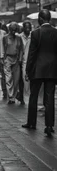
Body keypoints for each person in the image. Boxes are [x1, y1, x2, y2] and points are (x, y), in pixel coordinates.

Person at [22, 9, 57, 137]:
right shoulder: (56, 32)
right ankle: (49, 125)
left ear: (41, 19)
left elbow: (32, 54)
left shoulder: (36, 33)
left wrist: (27, 71)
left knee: (33, 96)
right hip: (52, 70)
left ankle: (31, 122)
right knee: (49, 98)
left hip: (38, 69)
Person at [2, 22, 23, 104]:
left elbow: (21, 49)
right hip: (8, 59)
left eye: (15, 30)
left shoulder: (18, 38)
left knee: (16, 79)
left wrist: (20, 59)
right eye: (12, 30)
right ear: (9, 30)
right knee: (8, 78)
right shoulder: (5, 38)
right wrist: (3, 59)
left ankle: (13, 97)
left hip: (16, 59)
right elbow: (3, 48)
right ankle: (10, 96)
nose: (14, 31)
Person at [17, 21, 32, 105]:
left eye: (29, 27)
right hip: (21, 60)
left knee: (28, 80)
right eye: (26, 27)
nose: (28, 29)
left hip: (29, 60)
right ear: (23, 28)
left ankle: (25, 95)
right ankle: (21, 97)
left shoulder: (32, 36)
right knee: (21, 80)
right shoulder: (19, 36)